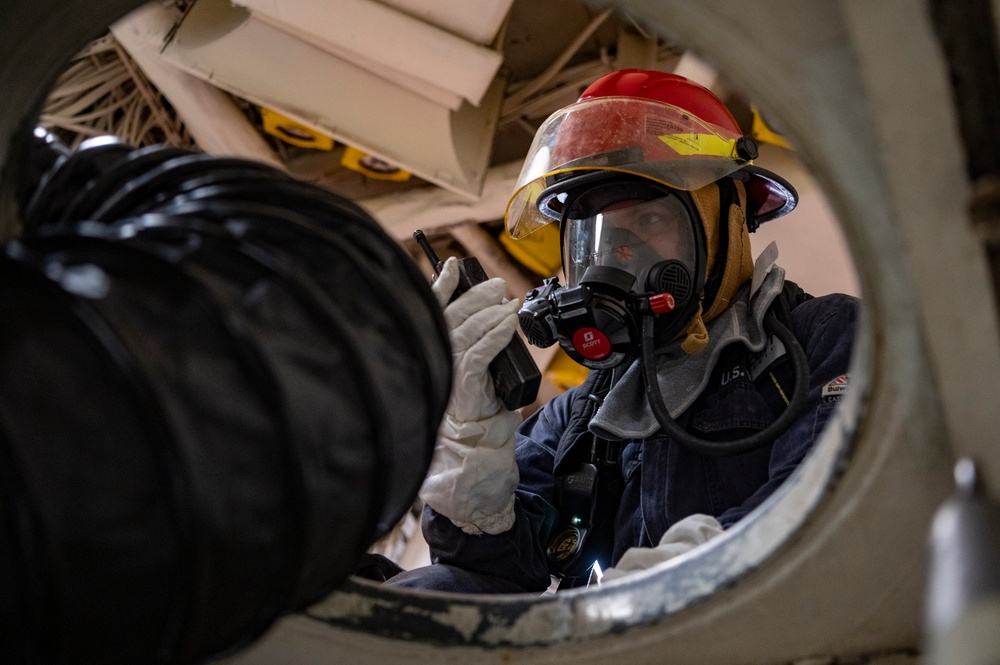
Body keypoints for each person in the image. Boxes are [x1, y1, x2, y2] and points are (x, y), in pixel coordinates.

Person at [385, 69, 859, 593]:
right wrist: (469, 450)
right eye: (599, 236)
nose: (618, 257)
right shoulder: (581, 413)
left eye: (651, 220)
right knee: (426, 592)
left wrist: (643, 599)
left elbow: (822, 518)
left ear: (730, 221)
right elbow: (489, 578)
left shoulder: (824, 339)